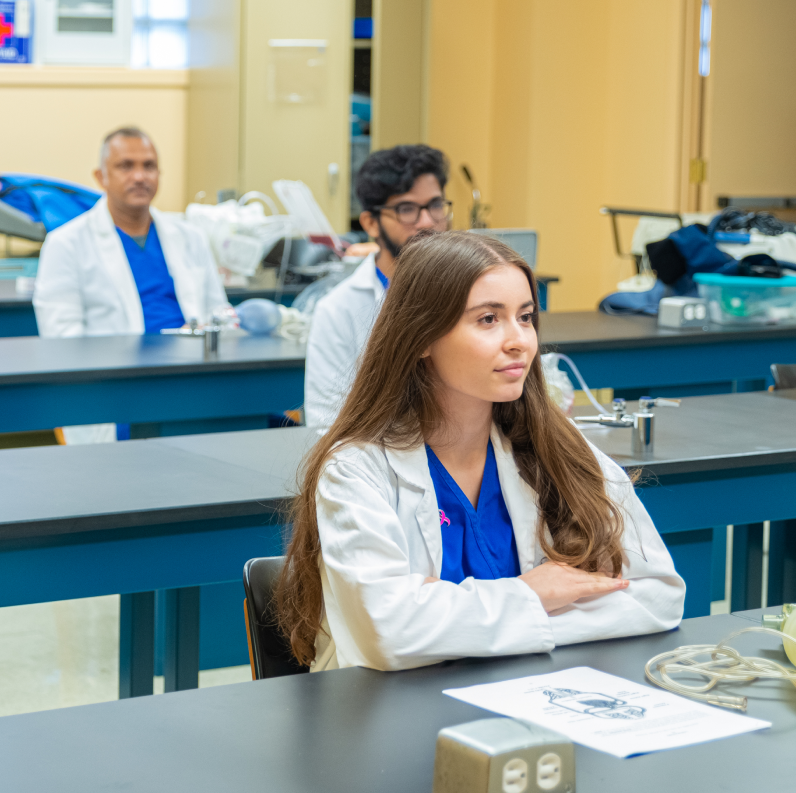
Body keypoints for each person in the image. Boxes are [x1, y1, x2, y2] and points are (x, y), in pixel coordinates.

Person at [277, 231, 685, 672]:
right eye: (489, 319)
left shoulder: (561, 447)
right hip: (394, 720)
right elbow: (388, 632)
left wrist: (463, 620)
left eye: (525, 317)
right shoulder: (357, 469)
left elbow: (658, 595)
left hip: (526, 697)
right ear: (421, 337)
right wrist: (534, 595)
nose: (519, 341)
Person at [33, 126, 228, 443]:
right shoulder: (65, 243)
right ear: (101, 177)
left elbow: (218, 314)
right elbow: (62, 341)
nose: (140, 176)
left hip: (193, 381)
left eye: (148, 166)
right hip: (116, 393)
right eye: (126, 166)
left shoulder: (189, 238)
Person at [303, 144, 451, 428]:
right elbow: (326, 425)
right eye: (407, 209)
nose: (427, 222)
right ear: (371, 223)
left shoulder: (474, 292)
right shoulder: (338, 310)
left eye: (435, 205)